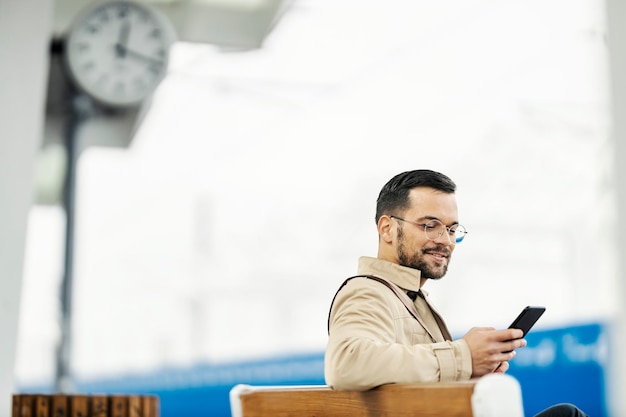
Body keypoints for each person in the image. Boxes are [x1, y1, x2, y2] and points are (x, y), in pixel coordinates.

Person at [325, 169, 587, 417]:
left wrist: (470, 375)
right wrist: (464, 356)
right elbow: (347, 363)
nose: (446, 241)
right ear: (387, 228)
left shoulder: (410, 297)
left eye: (451, 229)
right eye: (430, 225)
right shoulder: (367, 292)